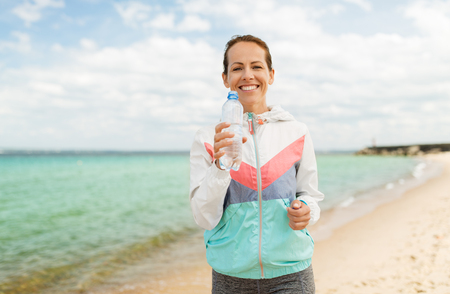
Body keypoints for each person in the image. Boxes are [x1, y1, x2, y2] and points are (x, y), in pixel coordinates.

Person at [189, 35, 324, 294]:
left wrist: (306, 210)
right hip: (230, 276)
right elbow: (204, 217)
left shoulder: (297, 132)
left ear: (271, 75)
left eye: (257, 66)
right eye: (237, 68)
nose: (247, 75)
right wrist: (220, 165)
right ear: (225, 78)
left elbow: (310, 195)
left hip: (292, 274)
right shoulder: (207, 139)